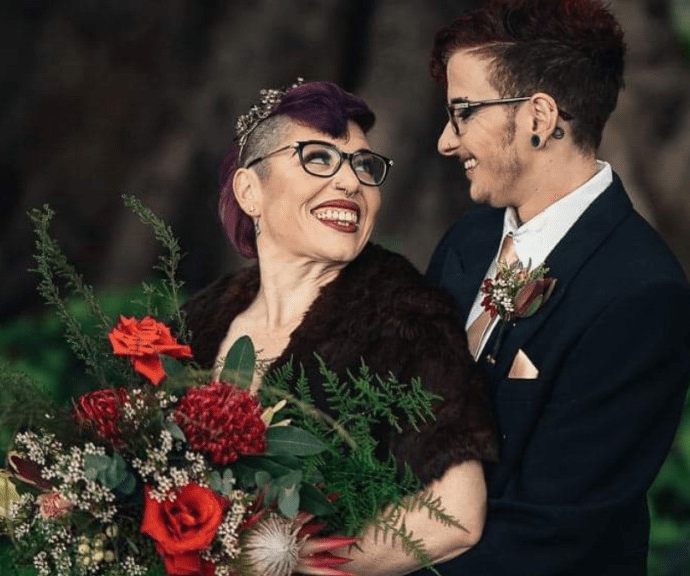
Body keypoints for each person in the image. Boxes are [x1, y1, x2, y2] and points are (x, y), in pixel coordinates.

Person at [422, 1, 690, 574]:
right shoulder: (468, 243)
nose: (447, 142)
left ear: (538, 119)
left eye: (463, 113)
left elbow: (550, 533)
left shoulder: (641, 296)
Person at [181, 80, 497, 575]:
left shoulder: (404, 317)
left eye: (364, 166)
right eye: (318, 158)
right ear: (250, 191)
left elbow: (455, 515)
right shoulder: (196, 322)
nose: (350, 182)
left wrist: (292, 565)